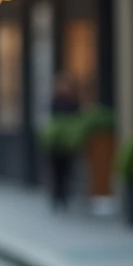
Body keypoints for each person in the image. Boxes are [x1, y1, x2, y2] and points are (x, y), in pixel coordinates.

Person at [48, 71, 82, 210]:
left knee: (67, 170)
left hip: (68, 141)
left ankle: (65, 196)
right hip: (56, 141)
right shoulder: (55, 100)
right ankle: (57, 196)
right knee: (57, 171)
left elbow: (78, 118)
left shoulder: (74, 101)